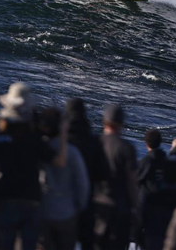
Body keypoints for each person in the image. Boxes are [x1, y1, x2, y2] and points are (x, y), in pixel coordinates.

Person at [0, 83, 68, 250]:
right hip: (31, 199)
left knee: (5, 243)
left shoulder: (1, 138)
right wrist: (64, 134)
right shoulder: (34, 139)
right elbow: (59, 161)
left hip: (6, 196)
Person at [39, 106, 90, 250]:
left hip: (42, 211)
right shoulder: (72, 152)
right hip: (66, 213)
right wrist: (79, 206)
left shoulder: (39, 147)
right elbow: (82, 184)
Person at [64, 98, 109, 250]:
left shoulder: (63, 140)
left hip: (61, 200)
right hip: (87, 202)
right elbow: (103, 174)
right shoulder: (93, 141)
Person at [94, 104, 138, 250]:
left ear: (104, 121)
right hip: (120, 208)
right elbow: (132, 181)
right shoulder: (126, 148)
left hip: (96, 207)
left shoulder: (95, 143)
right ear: (121, 123)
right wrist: (136, 206)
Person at [136, 129, 172, 250]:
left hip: (147, 212)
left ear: (146, 143)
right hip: (165, 213)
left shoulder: (145, 162)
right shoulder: (168, 163)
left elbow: (135, 182)